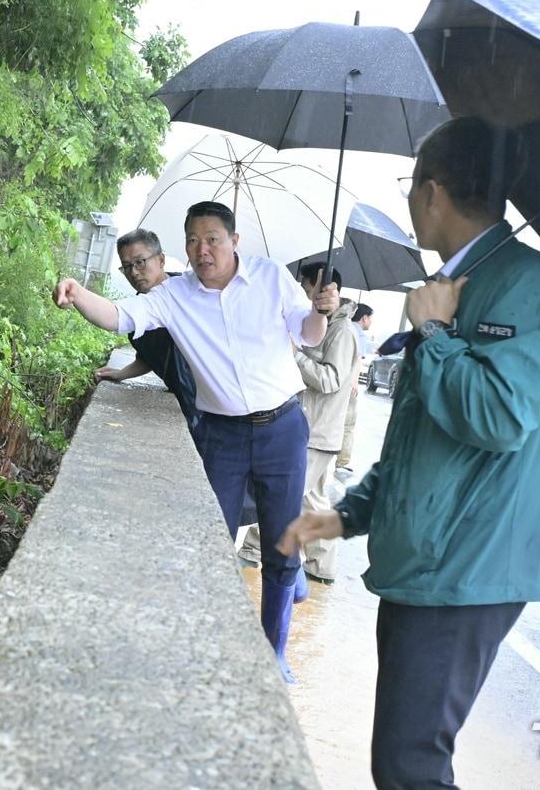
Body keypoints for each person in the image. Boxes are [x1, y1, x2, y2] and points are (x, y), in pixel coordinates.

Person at [279, 116, 540, 788]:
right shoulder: (459, 282)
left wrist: (436, 333)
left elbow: (499, 416)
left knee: (411, 765)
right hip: (432, 557)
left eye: (412, 189)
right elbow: (424, 440)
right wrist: (348, 515)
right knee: (405, 759)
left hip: (467, 567)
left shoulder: (523, 284)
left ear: (433, 192)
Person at [53, 200, 339, 684]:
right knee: (206, 542)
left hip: (283, 428)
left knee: (282, 543)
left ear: (234, 241)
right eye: (193, 240)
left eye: (212, 239)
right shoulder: (175, 296)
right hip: (222, 434)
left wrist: (320, 311)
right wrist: (79, 294)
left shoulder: (270, 277)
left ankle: (274, 652)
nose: (202, 249)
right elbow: (118, 316)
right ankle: (196, 645)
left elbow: (307, 334)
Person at [238, 263, 360, 584]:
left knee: (279, 496)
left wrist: (295, 355)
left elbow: (331, 379)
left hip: (318, 430)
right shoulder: (328, 323)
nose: (300, 292)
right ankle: (320, 568)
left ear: (318, 286)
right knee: (313, 500)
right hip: (316, 429)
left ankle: (251, 553)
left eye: (304, 286)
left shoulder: (341, 331)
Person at [93, 229, 201, 436]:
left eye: (140, 262)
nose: (133, 272)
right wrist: (119, 373)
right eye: (126, 266)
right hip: (184, 407)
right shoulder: (137, 312)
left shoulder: (193, 293)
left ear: (160, 260)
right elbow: (150, 358)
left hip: (214, 407)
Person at [336, 304, 375, 474]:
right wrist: (354, 382)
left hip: (338, 381)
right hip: (347, 384)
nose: (371, 322)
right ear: (364, 318)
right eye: (371, 318)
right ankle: (342, 460)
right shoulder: (356, 332)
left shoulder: (343, 327)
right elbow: (357, 358)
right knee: (348, 423)